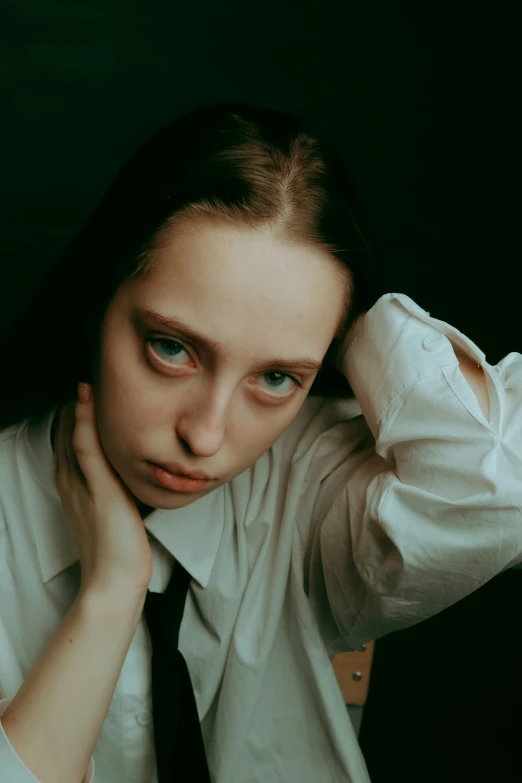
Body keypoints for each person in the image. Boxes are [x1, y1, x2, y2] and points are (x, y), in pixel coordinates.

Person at [0, 100, 519, 783]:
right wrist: (110, 595)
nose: (206, 434)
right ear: (100, 298)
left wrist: (363, 324)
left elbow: (501, 493)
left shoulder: (305, 485)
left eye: (275, 376)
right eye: (170, 348)